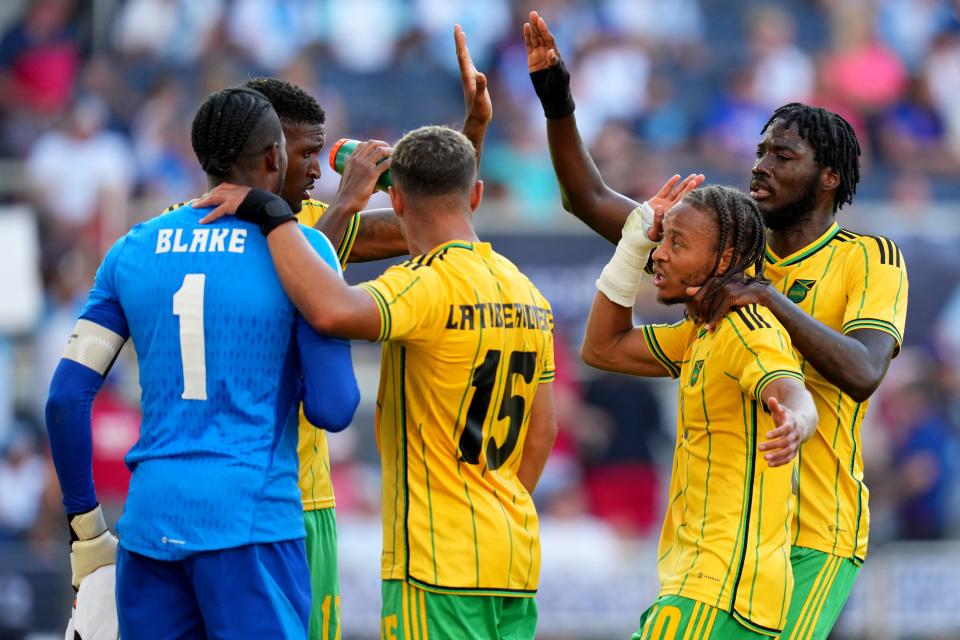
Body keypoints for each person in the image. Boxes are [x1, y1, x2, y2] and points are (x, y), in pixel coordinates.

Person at [524, 11, 909, 639]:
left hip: (814, 530)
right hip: (727, 547)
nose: (760, 165)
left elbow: (865, 372)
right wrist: (559, 101)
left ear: (829, 177)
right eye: (759, 151)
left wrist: (767, 298)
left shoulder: (866, 259)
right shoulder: (720, 251)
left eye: (782, 155)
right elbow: (589, 202)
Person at [193, 25, 493, 640]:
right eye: (305, 155)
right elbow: (287, 295)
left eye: (319, 153)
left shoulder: (308, 219)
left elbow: (439, 208)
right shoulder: (206, 229)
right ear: (265, 152)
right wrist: (347, 201)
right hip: (239, 494)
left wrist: (473, 129)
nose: (314, 169)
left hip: (310, 498)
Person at [201, 125, 558, 640]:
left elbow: (328, 309)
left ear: (395, 200)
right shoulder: (527, 291)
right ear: (475, 195)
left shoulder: (426, 283)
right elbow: (540, 433)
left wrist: (270, 213)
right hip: (514, 556)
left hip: (437, 564)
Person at [45, 86, 360, 639]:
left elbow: (65, 399)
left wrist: (89, 536)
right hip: (252, 527)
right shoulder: (304, 252)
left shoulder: (131, 249)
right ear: (274, 158)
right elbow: (334, 408)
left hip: (149, 527)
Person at [581, 184, 818, 638]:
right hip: (711, 586)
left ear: (724, 257)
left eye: (678, 243)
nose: (660, 255)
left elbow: (791, 390)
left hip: (719, 587)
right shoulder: (700, 332)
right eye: (661, 240)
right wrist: (634, 243)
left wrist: (798, 421)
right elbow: (602, 348)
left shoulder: (746, 329)